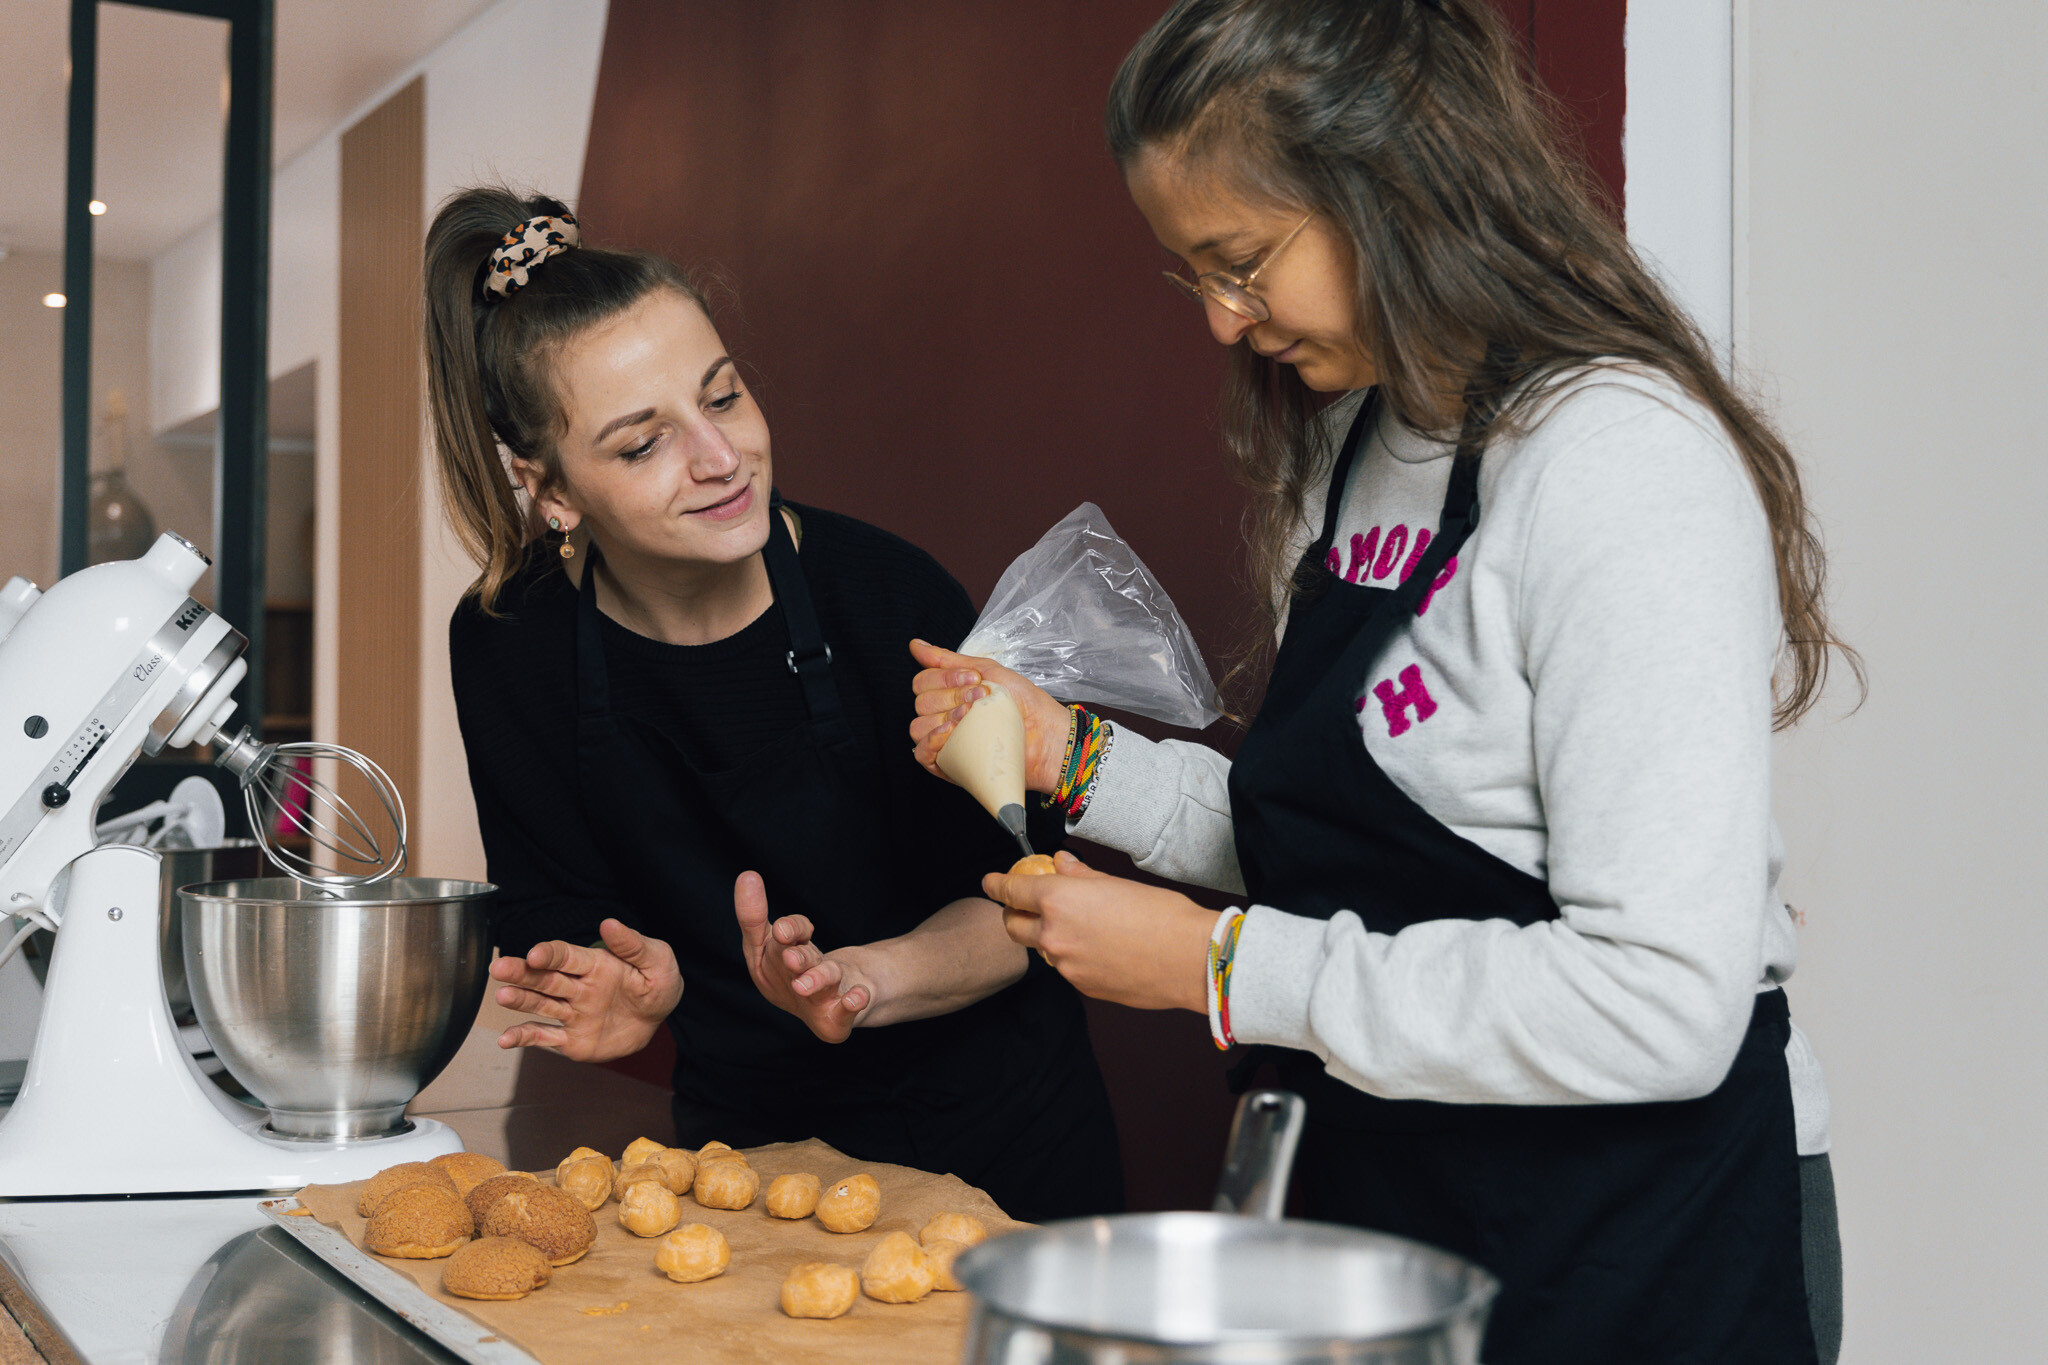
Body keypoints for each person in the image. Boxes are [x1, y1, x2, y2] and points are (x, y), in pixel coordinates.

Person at [910, 2, 1844, 1360]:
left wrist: (1222, 970)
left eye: (1244, 262)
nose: (1227, 324)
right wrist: (1077, 760)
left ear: (1400, 183)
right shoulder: (1359, 446)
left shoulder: (1616, 465)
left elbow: (1659, 1004)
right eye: (1196, 279)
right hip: (1404, 1201)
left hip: (1646, 1238)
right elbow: (1357, 852)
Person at [425, 186, 1121, 1222]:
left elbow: (1021, 900)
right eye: (639, 443)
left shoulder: (894, 598)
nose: (717, 460)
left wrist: (854, 981)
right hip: (747, 1161)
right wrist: (629, 984)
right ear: (551, 488)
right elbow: (551, 905)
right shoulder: (506, 646)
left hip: (1006, 1136)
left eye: (720, 396)